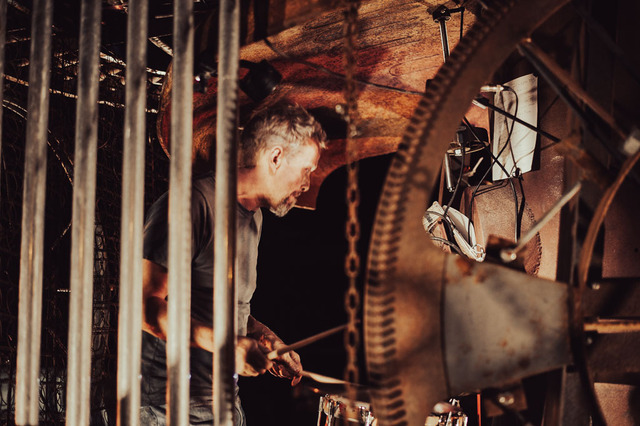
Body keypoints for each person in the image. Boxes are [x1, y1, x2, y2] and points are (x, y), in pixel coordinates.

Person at [140, 102, 327, 425]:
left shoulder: (255, 219)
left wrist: (265, 337)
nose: (307, 183)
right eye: (306, 170)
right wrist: (228, 346)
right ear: (276, 157)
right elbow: (145, 308)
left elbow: (222, 306)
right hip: (168, 408)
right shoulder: (192, 204)